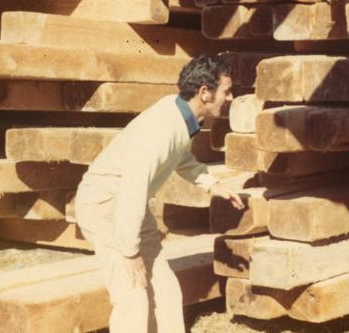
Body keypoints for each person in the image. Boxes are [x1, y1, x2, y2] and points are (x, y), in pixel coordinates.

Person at [74, 55, 244, 333]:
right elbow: (132, 187)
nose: (230, 97)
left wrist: (213, 184)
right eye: (226, 90)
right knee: (133, 298)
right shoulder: (160, 128)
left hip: (129, 209)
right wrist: (129, 254)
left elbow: (180, 157)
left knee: (165, 291)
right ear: (204, 92)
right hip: (106, 207)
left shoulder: (180, 115)